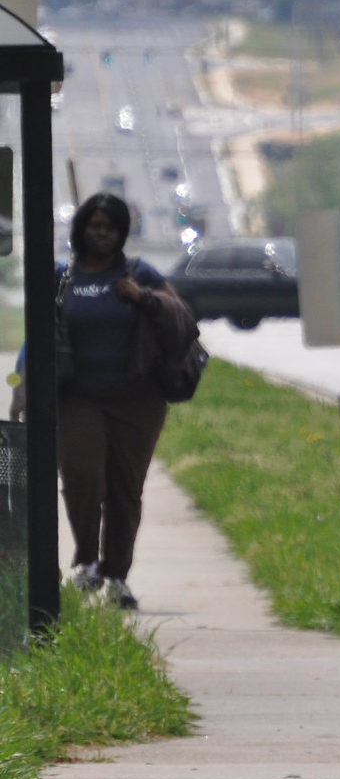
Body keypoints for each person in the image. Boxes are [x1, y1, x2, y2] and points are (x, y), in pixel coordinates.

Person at [55, 193, 194, 609]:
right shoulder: (63, 278)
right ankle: (87, 561)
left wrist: (142, 298)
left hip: (138, 400)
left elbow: (182, 319)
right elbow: (41, 336)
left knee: (124, 489)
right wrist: (26, 389)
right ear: (80, 229)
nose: (101, 233)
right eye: (94, 226)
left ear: (121, 234)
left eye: (110, 227)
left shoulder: (140, 274)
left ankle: (117, 576)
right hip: (78, 399)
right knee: (83, 477)